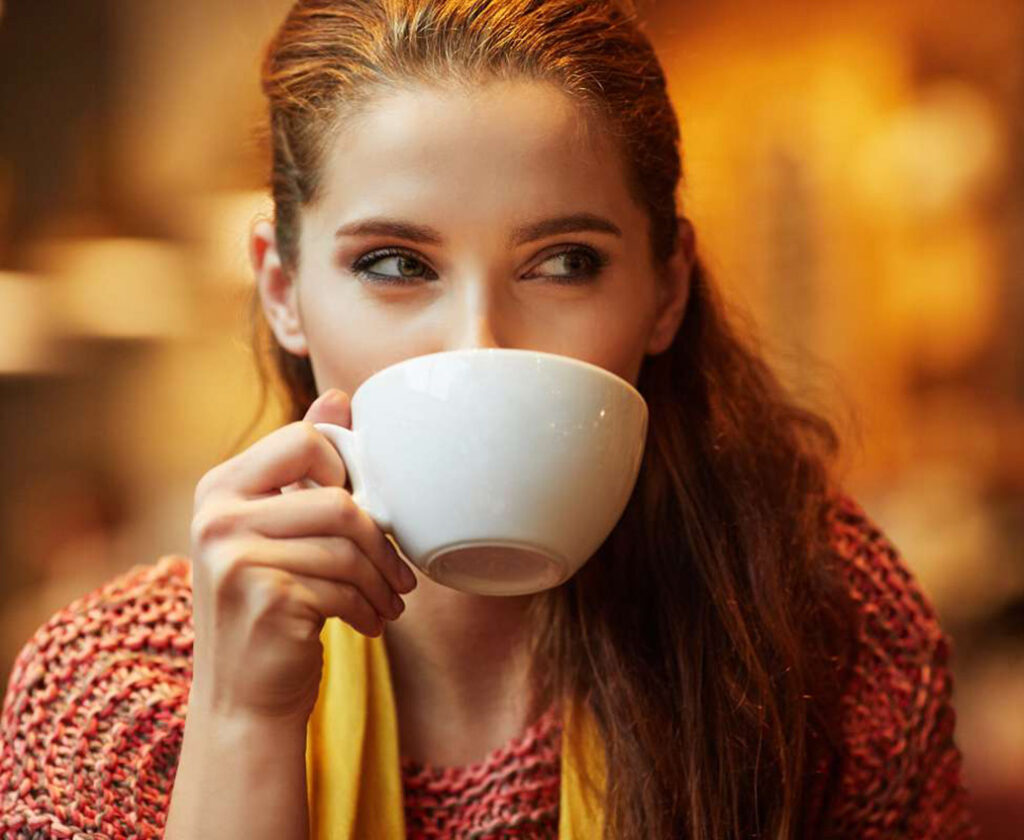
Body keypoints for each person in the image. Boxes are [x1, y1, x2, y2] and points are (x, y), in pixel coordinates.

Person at [0, 1, 979, 838]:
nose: (480, 341)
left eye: (562, 262)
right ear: (283, 289)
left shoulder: (822, 625)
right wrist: (242, 720)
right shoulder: (110, 691)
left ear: (666, 291)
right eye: (394, 264)